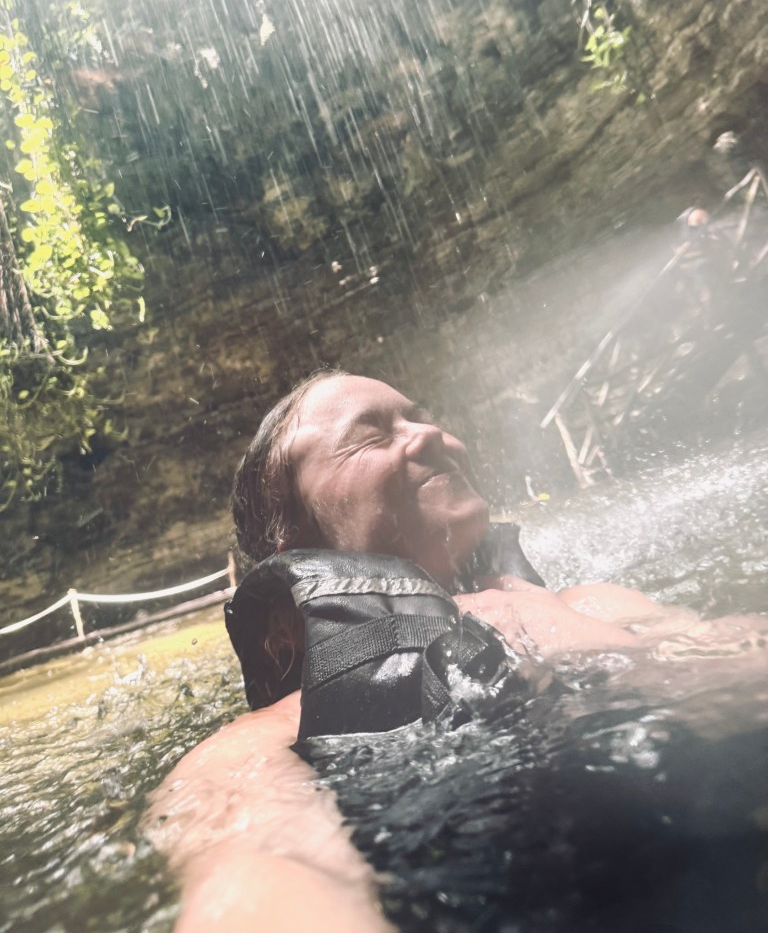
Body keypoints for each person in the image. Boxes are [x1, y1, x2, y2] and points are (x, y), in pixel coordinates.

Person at [148, 370, 766, 932]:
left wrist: (565, 634)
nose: (430, 434)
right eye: (371, 437)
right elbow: (257, 874)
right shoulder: (275, 737)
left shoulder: (596, 605)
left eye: (421, 415)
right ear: (293, 544)